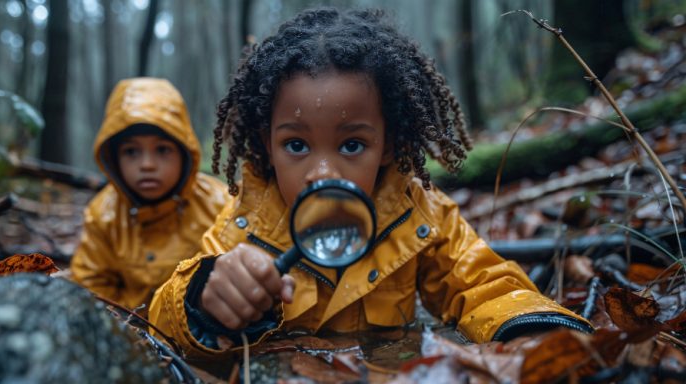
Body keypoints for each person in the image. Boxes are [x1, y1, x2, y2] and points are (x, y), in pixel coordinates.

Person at [148, 8, 592, 356]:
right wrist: (203, 301)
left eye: (352, 145)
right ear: (267, 147)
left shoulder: (419, 213)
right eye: (297, 146)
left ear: (389, 145)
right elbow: (164, 326)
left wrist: (534, 328)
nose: (323, 173)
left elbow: (480, 282)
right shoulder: (245, 226)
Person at [71, 77, 229, 312]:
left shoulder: (218, 204)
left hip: (207, 331)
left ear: (184, 154)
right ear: (114, 159)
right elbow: (92, 286)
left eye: (162, 150)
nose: (147, 165)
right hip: (131, 332)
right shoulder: (103, 214)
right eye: (131, 151)